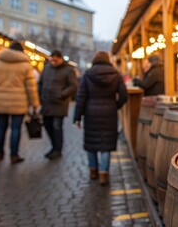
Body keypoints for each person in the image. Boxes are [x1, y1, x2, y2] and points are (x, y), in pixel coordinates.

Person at [74, 51, 128, 185]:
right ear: (108, 60)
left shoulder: (87, 74)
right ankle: (103, 173)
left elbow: (81, 97)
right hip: (109, 112)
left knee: (91, 143)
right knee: (106, 144)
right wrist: (115, 105)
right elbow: (124, 95)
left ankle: (93, 170)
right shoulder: (116, 74)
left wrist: (77, 117)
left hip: (91, 112)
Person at [0, 42, 40, 164]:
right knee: (16, 128)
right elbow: (31, 88)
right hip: (18, 103)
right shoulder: (25, 66)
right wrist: (35, 104)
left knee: (0, 127)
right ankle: (14, 155)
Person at [39, 50, 78, 159]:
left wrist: (62, 94)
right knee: (47, 125)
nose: (54, 62)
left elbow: (73, 86)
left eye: (56, 60)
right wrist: (39, 96)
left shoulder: (69, 70)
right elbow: (41, 83)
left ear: (60, 59)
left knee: (57, 126)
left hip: (59, 104)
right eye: (52, 60)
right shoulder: (46, 68)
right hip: (47, 102)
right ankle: (54, 146)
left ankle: (58, 149)